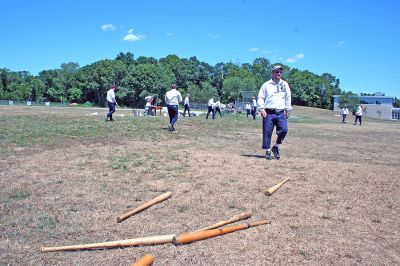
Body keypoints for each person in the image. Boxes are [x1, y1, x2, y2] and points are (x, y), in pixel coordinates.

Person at [257, 65, 292, 160]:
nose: (279, 74)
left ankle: (275, 147)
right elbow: (260, 97)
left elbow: (288, 97)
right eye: (277, 72)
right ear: (272, 73)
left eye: (280, 72)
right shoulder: (266, 85)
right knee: (267, 132)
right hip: (269, 112)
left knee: (284, 130)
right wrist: (262, 109)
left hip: (281, 112)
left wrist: (288, 109)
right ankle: (268, 150)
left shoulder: (285, 84)